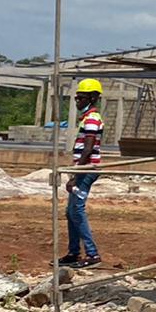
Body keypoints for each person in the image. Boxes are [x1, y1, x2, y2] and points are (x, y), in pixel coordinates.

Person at [59, 78, 104, 268]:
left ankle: (92, 254)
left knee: (77, 210)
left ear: (92, 98)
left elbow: (88, 148)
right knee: (71, 212)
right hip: (82, 170)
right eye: (77, 98)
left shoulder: (93, 119)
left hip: (86, 171)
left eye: (81, 98)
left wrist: (75, 176)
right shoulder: (87, 118)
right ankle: (74, 252)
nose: (78, 101)